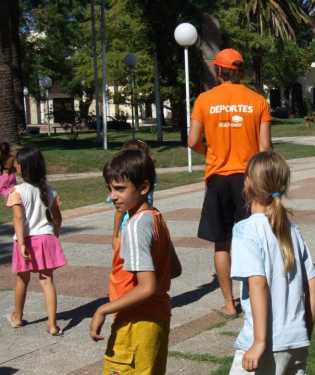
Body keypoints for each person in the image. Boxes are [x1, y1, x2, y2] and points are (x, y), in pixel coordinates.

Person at [188, 48, 272, 318]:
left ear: (217, 70)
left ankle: (228, 303)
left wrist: (210, 152)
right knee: (253, 241)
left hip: (217, 178)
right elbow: (265, 148)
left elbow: (192, 141)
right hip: (249, 179)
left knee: (221, 243)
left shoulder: (204, 100)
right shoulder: (257, 101)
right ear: (241, 71)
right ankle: (254, 299)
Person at [90, 149, 181, 375]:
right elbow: (175, 268)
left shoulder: (134, 227)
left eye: (120, 189)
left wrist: (103, 309)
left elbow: (147, 286)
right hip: (157, 321)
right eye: (110, 189)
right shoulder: (156, 217)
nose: (112, 196)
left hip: (135, 324)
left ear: (143, 188)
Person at [229, 151, 315, 374]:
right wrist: (306, 327)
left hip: (266, 343)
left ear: (248, 183)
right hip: (295, 340)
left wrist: (259, 341)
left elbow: (257, 282)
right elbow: (314, 281)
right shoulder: (291, 230)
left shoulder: (246, 230)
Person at [6, 147, 65, 335]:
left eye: (18, 162)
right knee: (47, 281)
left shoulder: (17, 191)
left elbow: (18, 219)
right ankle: (53, 325)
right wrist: (54, 234)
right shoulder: (50, 190)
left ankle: (17, 317)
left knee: (22, 280)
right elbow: (57, 218)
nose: (15, 165)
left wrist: (22, 243)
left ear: (24, 167)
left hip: (27, 240)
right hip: (46, 238)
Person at [111, 139, 155, 250]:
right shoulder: (126, 183)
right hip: (131, 227)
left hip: (138, 225)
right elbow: (119, 212)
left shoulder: (145, 179)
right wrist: (115, 236)